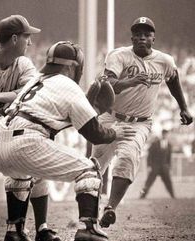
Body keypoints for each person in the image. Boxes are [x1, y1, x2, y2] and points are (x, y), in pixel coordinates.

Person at [0, 41, 135, 241]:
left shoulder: (35, 81)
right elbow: (94, 134)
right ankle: (87, 229)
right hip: (26, 141)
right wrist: (115, 134)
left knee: (24, 174)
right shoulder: (67, 84)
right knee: (89, 170)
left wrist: (88, 111)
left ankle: (14, 231)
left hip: (0, 143)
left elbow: (49, 116)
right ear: (71, 66)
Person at [91, 16, 193, 228]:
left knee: (127, 159)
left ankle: (110, 208)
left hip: (139, 123)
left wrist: (183, 107)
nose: (142, 38)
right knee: (93, 167)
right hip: (111, 117)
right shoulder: (119, 55)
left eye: (146, 34)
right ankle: (88, 214)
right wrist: (132, 81)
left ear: (153, 38)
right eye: (138, 34)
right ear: (132, 37)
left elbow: (173, 79)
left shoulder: (164, 60)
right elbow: (108, 85)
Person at [0, 15, 61, 241]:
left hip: (6, 129)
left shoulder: (23, 64)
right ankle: (15, 230)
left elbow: (25, 94)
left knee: (36, 158)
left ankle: (40, 228)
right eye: (26, 37)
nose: (30, 42)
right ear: (14, 38)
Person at [140, 129, 175, 199]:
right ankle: (142, 196)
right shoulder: (155, 143)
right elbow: (149, 156)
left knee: (168, 182)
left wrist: (169, 167)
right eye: (164, 134)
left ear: (168, 135)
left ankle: (173, 196)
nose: (165, 135)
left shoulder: (169, 145)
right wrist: (149, 166)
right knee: (148, 182)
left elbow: (169, 158)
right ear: (162, 134)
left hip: (164, 168)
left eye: (166, 134)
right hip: (154, 167)